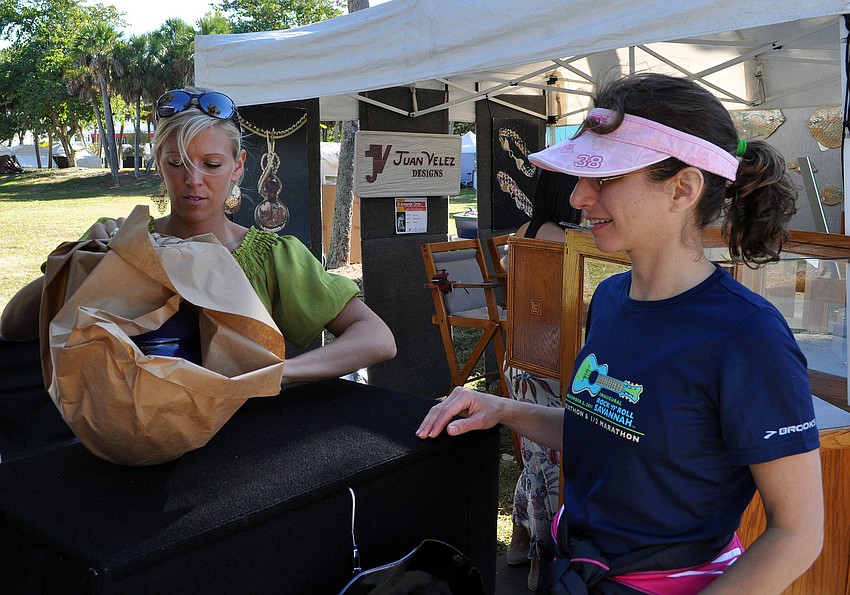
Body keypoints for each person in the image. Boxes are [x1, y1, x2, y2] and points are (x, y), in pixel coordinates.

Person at [418, 73, 822, 594]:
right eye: (581, 176)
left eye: (605, 178)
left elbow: (797, 533)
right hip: (576, 572)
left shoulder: (748, 335)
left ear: (682, 188)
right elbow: (605, 428)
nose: (578, 197)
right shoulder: (609, 300)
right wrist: (504, 410)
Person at [0, 88, 397, 385]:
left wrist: (279, 373)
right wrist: (83, 260)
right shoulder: (121, 241)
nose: (193, 180)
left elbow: (377, 338)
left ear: (238, 167)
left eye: (211, 164)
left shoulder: (273, 258)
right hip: (126, 436)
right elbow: (13, 325)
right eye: (177, 163)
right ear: (159, 164)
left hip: (240, 441)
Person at [503, 170, 582, 591]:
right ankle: (539, 555)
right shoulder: (566, 241)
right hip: (551, 361)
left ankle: (519, 542)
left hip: (521, 358)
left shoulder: (524, 231)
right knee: (549, 461)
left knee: (534, 456)